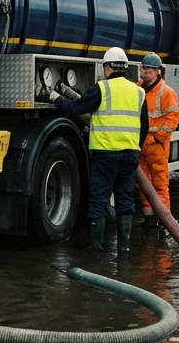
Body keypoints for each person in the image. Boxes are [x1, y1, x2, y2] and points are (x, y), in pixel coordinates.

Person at [48, 47, 148, 251]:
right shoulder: (138, 91)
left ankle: (96, 246)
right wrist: (134, 145)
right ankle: (124, 247)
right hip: (129, 154)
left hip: (105, 154)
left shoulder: (102, 88)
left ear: (108, 67)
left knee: (99, 198)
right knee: (125, 199)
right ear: (125, 68)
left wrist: (54, 97)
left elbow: (76, 108)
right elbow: (144, 125)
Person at [137, 53, 179, 221]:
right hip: (141, 143)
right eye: (144, 68)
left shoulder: (166, 92)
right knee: (143, 183)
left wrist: (158, 138)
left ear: (158, 71)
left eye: (150, 69)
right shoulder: (138, 88)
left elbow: (173, 117)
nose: (146, 72)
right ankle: (149, 217)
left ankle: (163, 220)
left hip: (156, 146)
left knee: (160, 183)